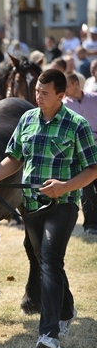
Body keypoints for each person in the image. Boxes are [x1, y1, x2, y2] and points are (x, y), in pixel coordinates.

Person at [0, 68, 97, 348]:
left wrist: (65, 186)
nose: (37, 98)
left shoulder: (76, 125)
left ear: (61, 95)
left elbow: (93, 169)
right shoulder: (27, 119)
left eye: (44, 93)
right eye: (36, 93)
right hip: (29, 204)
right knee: (47, 260)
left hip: (61, 205)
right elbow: (13, 158)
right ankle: (66, 310)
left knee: (50, 261)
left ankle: (49, 333)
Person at [63, 72, 97, 234]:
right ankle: (90, 224)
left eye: (67, 85)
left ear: (76, 83)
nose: (64, 90)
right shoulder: (64, 106)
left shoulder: (94, 98)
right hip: (80, 152)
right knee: (86, 188)